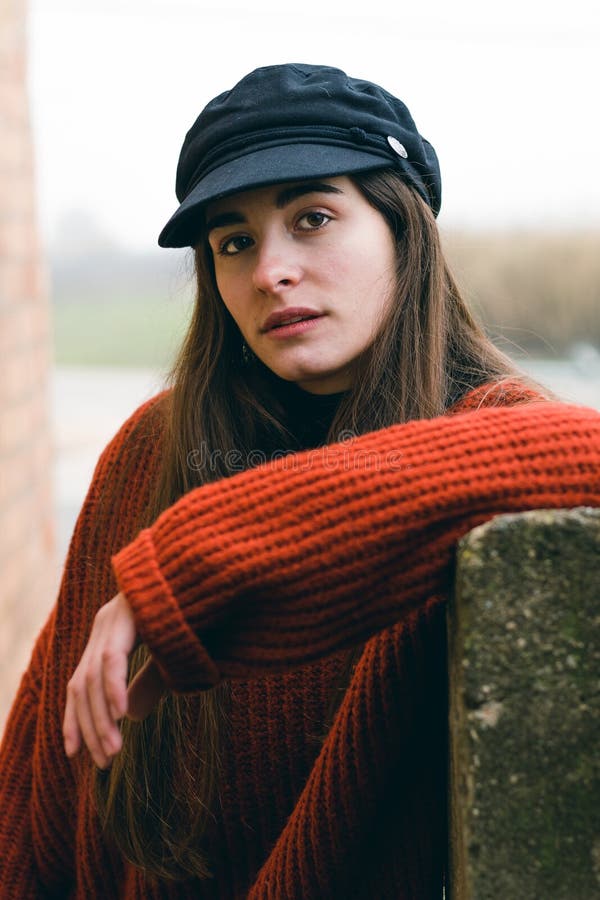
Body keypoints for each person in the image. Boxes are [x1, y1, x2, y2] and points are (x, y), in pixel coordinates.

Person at [1, 63, 599, 899]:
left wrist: (206, 553)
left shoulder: (491, 431)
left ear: (402, 227)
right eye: (234, 240)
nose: (270, 270)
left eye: (313, 218)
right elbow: (38, 793)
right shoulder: (156, 448)